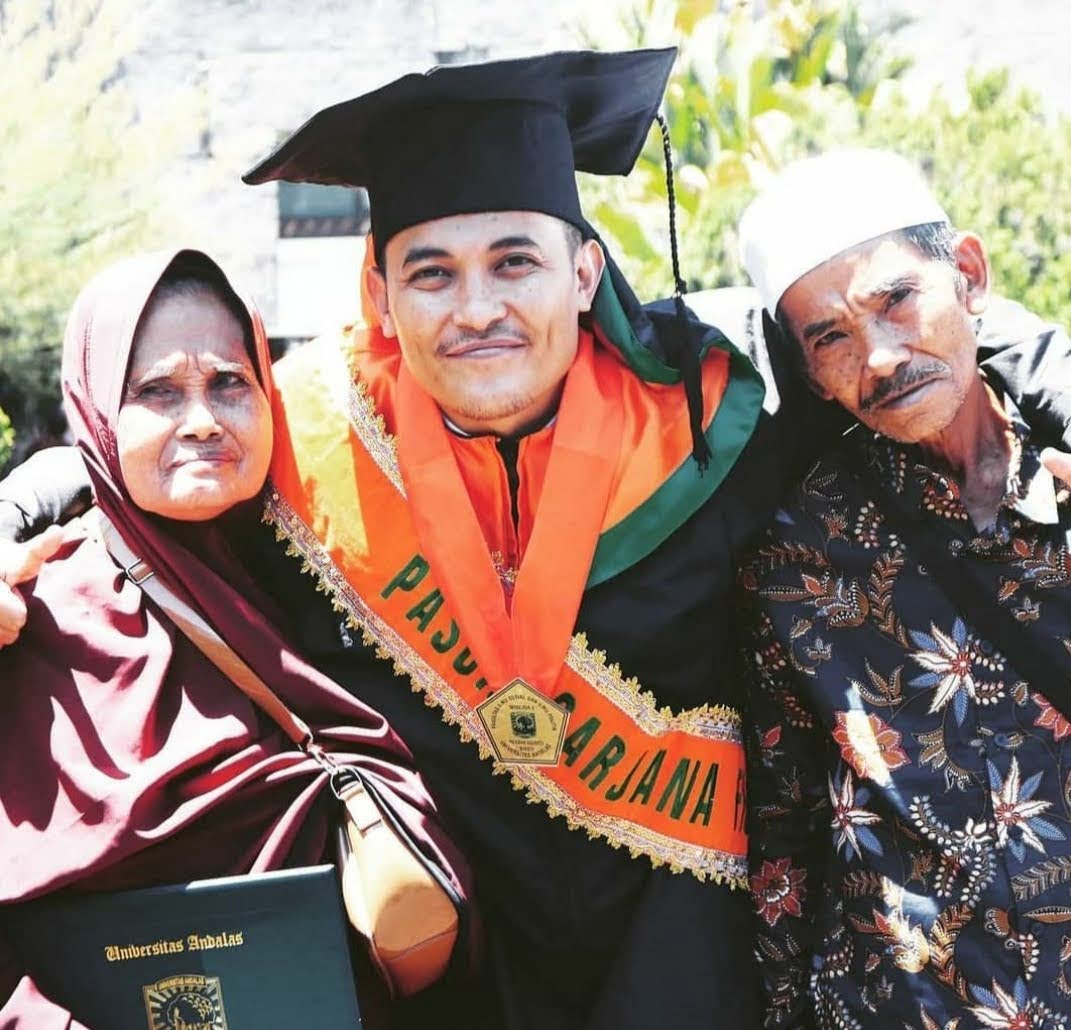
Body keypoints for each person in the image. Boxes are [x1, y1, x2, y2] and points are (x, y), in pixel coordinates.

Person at [3, 52, 1071, 1029]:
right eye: (431, 273)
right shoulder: (309, 436)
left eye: (515, 261)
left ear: (585, 272)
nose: (477, 309)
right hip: (460, 959)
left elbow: (910, 331)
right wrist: (12, 513)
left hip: (684, 952)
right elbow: (133, 451)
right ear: (378, 293)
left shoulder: (712, 406)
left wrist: (1054, 386)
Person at [0, 248, 471, 1027]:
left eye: (230, 383)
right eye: (156, 391)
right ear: (96, 409)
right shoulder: (33, 616)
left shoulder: (339, 576)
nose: (202, 420)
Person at [736, 148, 1071, 1028]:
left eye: (896, 300)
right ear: (810, 375)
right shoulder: (799, 553)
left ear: (968, 275)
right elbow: (781, 825)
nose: (879, 358)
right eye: (831, 338)